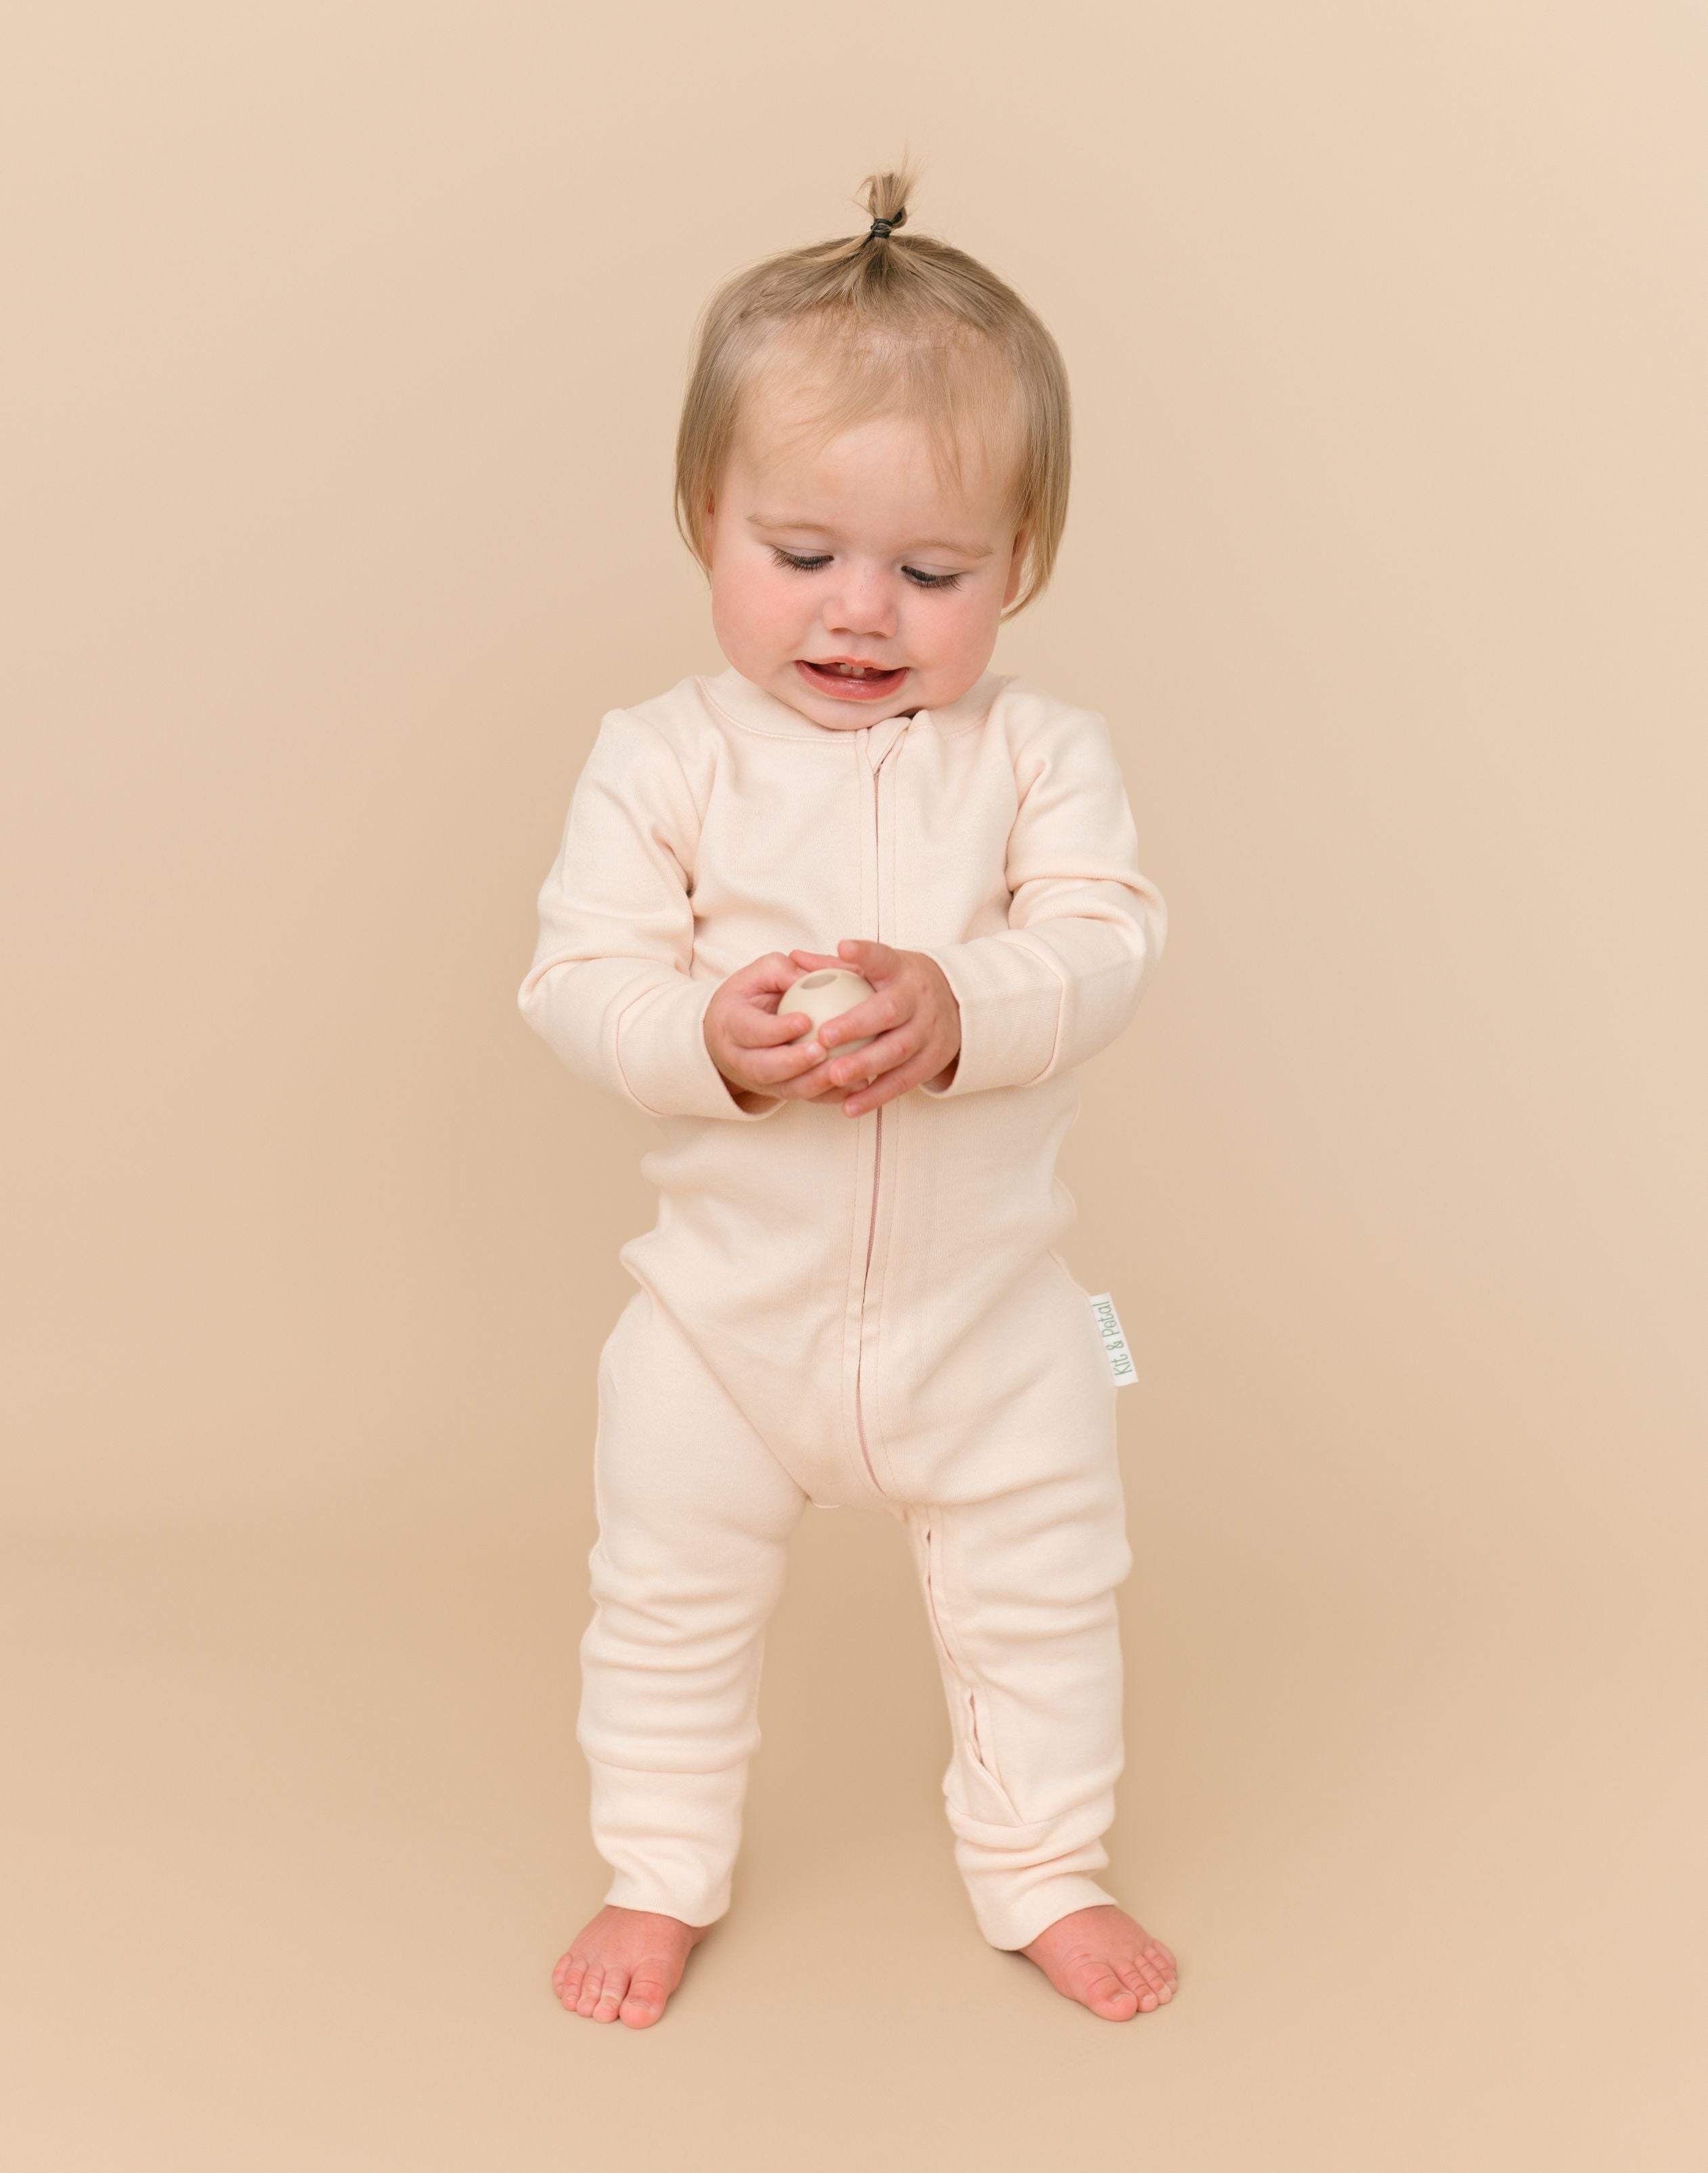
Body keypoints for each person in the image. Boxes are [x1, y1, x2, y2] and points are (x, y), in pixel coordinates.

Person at [518, 167, 1176, 2029]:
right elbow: (578, 979)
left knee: (1047, 1600)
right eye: (800, 555)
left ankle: (1044, 1865)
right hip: (721, 1329)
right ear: (705, 520)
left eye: (934, 572)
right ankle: (657, 1864)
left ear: (1019, 565)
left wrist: (958, 1001)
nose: (860, 613)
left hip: (995, 1321)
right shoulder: (660, 759)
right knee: (665, 1604)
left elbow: (1111, 941)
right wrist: (707, 1041)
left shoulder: (1038, 757)